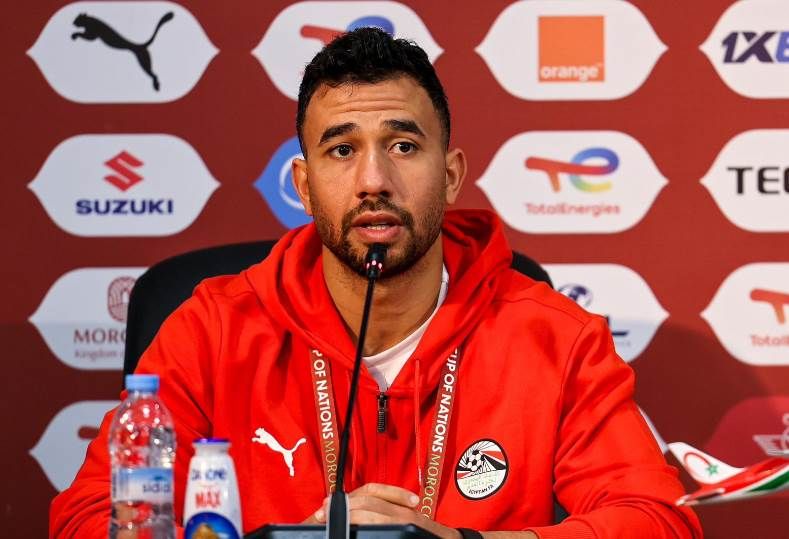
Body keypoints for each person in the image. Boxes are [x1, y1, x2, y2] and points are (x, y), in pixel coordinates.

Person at [50, 28, 702, 538]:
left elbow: (658, 520)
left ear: (451, 175)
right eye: (341, 150)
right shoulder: (213, 329)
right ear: (304, 186)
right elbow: (89, 518)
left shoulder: (555, 337)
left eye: (403, 146)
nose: (373, 181)